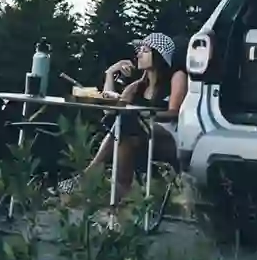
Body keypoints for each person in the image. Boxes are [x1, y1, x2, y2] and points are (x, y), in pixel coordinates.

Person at [56, 32, 188, 204]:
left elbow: (174, 113)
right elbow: (111, 111)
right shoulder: (136, 87)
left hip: (167, 137)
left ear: (159, 54)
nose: (138, 53)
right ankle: (118, 200)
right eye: (139, 50)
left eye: (145, 50)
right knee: (124, 133)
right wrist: (110, 73)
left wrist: (144, 115)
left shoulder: (176, 77)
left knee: (126, 125)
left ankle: (88, 177)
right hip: (138, 137)